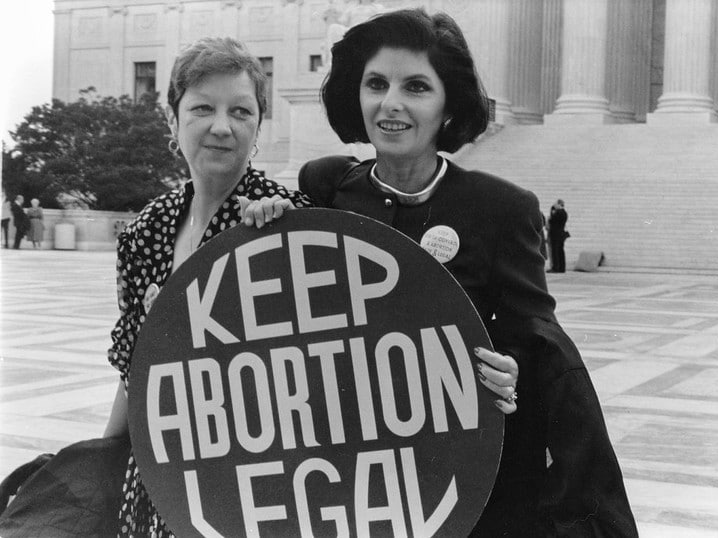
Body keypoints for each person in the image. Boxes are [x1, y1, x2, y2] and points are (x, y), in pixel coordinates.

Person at [243, 9, 637, 536]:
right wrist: (265, 224)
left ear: (448, 103)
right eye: (376, 84)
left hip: (458, 475)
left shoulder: (502, 207)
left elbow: (534, 333)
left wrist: (513, 368)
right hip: (348, 469)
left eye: (417, 87)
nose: (391, 104)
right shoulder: (326, 187)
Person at [101, 36, 310, 536]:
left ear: (259, 125)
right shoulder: (147, 230)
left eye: (241, 111)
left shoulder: (287, 221)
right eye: (202, 108)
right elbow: (134, 371)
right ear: (173, 120)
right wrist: (99, 465)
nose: (222, 127)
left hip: (253, 485)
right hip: (158, 477)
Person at [548, 198, 568, 273]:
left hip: (555, 234)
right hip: (561, 234)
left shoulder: (558, 213)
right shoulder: (565, 213)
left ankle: (555, 267)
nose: (554, 205)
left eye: (556, 204)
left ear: (559, 204)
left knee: (555, 251)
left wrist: (552, 212)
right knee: (560, 251)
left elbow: (551, 220)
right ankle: (562, 268)